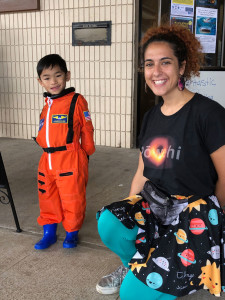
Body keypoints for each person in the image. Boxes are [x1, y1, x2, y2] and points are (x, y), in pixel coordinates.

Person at [96, 24, 225, 299]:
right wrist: (128, 211)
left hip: (192, 216)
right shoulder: (151, 117)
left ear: (182, 67)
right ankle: (136, 266)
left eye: (165, 62)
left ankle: (180, 271)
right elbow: (143, 171)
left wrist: (215, 228)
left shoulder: (208, 114)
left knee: (131, 296)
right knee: (109, 222)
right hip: (156, 206)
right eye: (149, 64)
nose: (156, 71)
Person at [34, 54, 95, 250]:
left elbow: (87, 128)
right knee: (47, 198)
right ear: (40, 81)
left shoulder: (76, 101)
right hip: (47, 160)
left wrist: (85, 154)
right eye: (47, 77)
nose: (53, 81)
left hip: (70, 159)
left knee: (72, 198)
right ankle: (49, 233)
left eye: (58, 75)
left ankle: (71, 232)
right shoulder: (47, 105)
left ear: (67, 76)